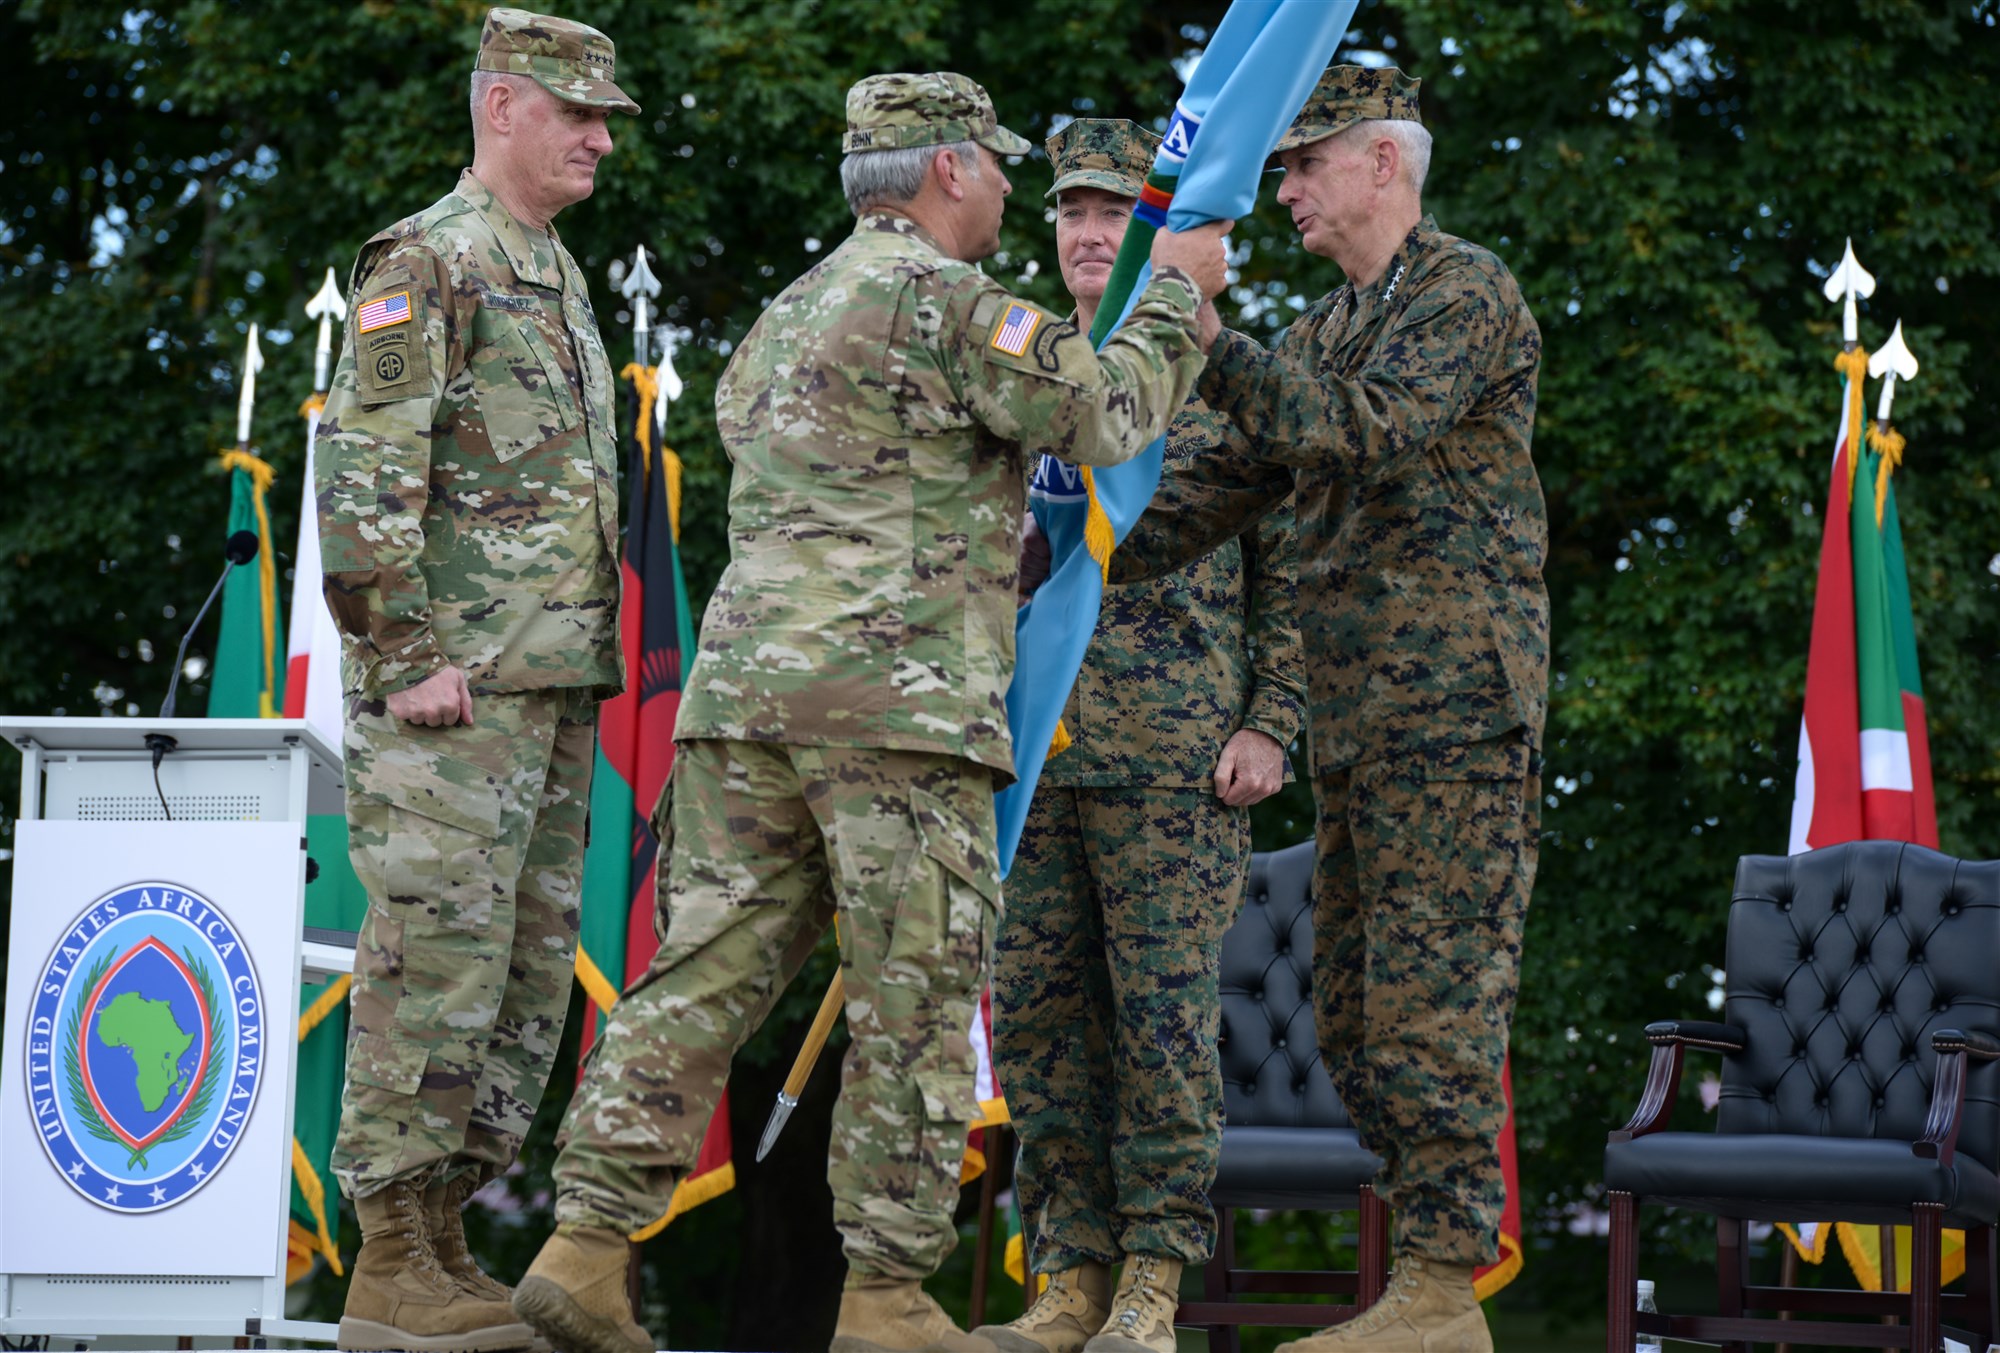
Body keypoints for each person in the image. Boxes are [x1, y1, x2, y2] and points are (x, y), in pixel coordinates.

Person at [508, 73, 1234, 1353]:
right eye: (1000, 166)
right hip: (892, 719)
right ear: (947, 168)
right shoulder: (953, 304)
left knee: (697, 980)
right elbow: (1107, 415)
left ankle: (583, 1243)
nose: (1011, 189)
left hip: (740, 711)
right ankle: (890, 1297)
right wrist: (1174, 286)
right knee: (912, 997)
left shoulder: (782, 318)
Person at [1085, 66, 1548, 1353]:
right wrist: (1056, 554)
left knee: (1428, 1003)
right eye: (1276, 167)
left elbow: (1360, 430)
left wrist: (1197, 325)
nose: (1280, 190)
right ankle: (1423, 1279)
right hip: (1359, 724)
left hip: (1454, 708)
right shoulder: (1326, 328)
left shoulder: (1462, 292)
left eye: (1302, 165)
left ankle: (1445, 1286)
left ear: (1382, 164)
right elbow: (1208, 493)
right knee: (1348, 1010)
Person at [314, 8, 637, 1349]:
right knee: (432, 961)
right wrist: (407, 658)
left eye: (607, 117)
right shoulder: (428, 258)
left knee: (517, 980)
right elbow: (365, 471)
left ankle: (443, 1239)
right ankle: (389, 1255)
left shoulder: (551, 269)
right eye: (577, 112)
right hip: (451, 694)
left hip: (548, 693)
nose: (599, 137)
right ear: (500, 104)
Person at [972, 119, 1305, 1353]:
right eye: (1071, 212)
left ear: (1166, 233)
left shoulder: (1222, 374)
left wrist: (1273, 721)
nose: (1090, 233)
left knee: (1162, 1029)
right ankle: (1065, 1275)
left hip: (1175, 763)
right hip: (1028, 759)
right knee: (1043, 1031)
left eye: (1120, 213)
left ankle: (1153, 1283)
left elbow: (1293, 571)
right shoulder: (1008, 361)